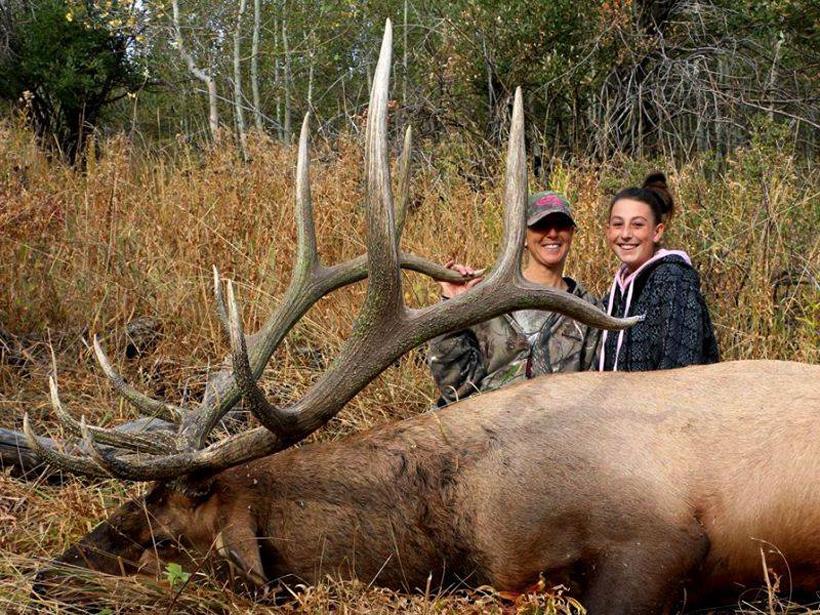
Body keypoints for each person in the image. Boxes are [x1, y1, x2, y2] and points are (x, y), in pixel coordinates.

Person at [427, 191, 601, 407]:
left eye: (561, 225)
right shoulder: (486, 296)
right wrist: (452, 308)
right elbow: (454, 387)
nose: (553, 233)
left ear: (572, 233)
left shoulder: (590, 309)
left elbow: (591, 392)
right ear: (523, 237)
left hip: (554, 429)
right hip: (485, 428)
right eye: (541, 225)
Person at [598, 172, 719, 372]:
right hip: (622, 402)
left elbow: (681, 367)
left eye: (638, 225)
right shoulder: (616, 293)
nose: (626, 234)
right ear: (608, 230)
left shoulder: (673, 279)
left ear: (657, 232)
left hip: (660, 402)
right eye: (618, 224)